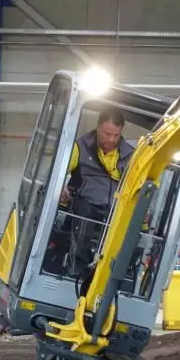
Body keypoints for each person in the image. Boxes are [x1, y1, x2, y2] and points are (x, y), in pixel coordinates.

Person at [59, 107, 132, 270]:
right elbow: (59, 172)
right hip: (85, 204)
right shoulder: (79, 147)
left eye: (116, 135)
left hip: (114, 209)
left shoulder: (130, 156)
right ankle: (76, 268)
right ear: (98, 127)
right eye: (107, 134)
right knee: (83, 214)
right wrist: (60, 186)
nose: (112, 139)